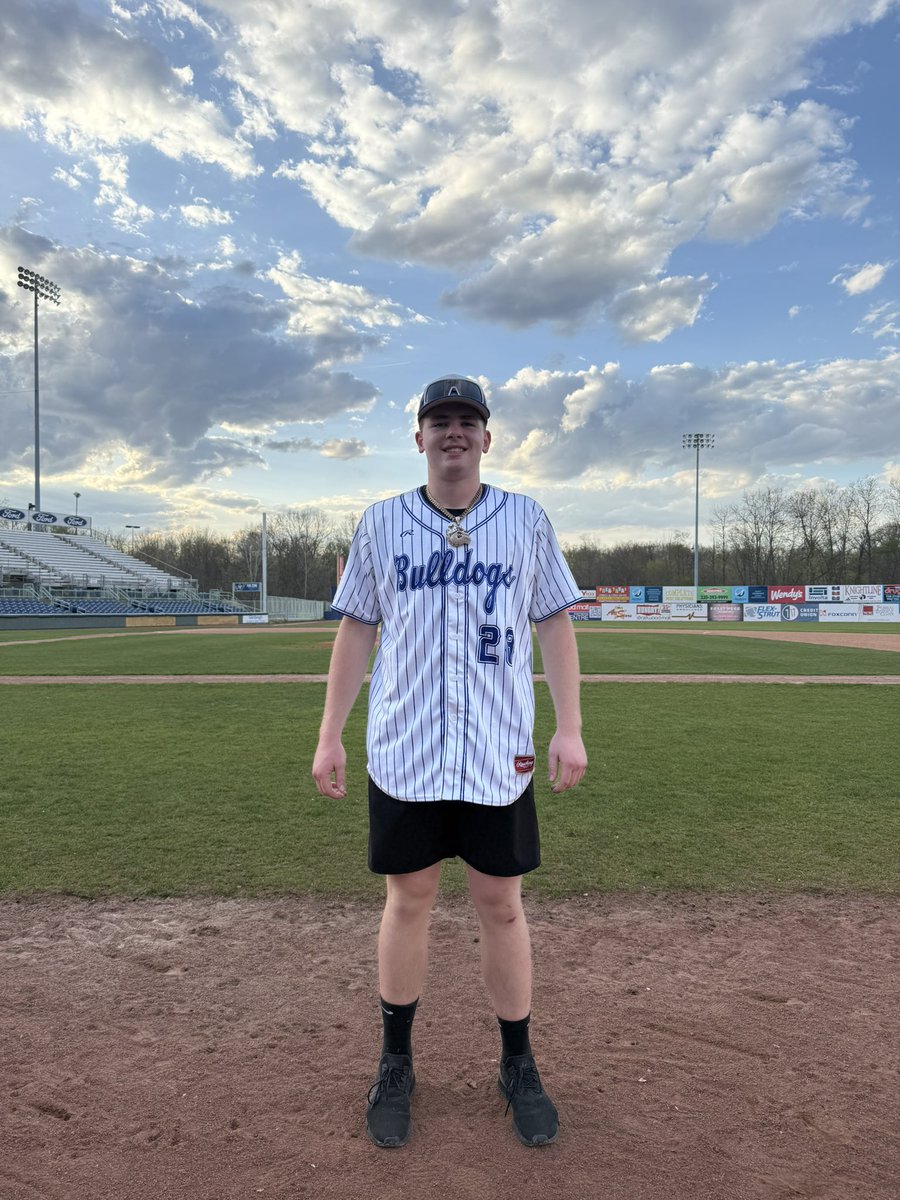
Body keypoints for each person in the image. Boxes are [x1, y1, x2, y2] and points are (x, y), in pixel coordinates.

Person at [312, 375, 587, 1149]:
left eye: (468, 420)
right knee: (410, 901)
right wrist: (330, 733)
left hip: (500, 750)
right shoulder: (381, 522)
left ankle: (518, 1063)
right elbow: (356, 630)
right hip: (405, 750)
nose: (454, 431)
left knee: (502, 905)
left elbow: (556, 624)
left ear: (487, 438)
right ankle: (396, 1062)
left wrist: (570, 727)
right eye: (440, 420)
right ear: (421, 436)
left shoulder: (525, 520)